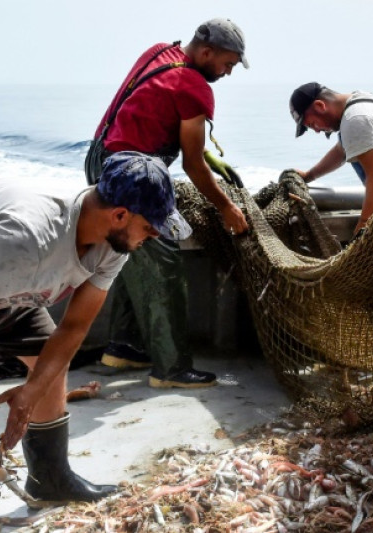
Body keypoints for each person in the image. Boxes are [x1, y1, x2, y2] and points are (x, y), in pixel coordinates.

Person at [0, 152, 188, 532]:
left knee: (48, 361)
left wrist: (30, 392)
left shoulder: (113, 243)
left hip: (0, 282)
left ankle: (50, 480)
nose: (153, 237)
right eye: (151, 228)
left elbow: (71, 330)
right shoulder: (27, 239)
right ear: (120, 215)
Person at [91, 18, 250, 388]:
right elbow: (191, 165)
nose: (227, 73)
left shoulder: (161, 51)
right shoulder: (195, 86)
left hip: (102, 159)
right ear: (207, 53)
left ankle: (124, 346)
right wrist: (227, 207)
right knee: (162, 258)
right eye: (227, 64)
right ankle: (173, 369)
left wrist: (207, 155)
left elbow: (153, 111)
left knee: (132, 254)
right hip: (131, 174)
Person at [288, 82, 373, 234]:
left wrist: (363, 226)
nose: (317, 131)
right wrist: (309, 175)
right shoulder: (359, 101)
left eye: (312, 124)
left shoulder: (354, 120)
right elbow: (342, 150)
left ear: (319, 106)